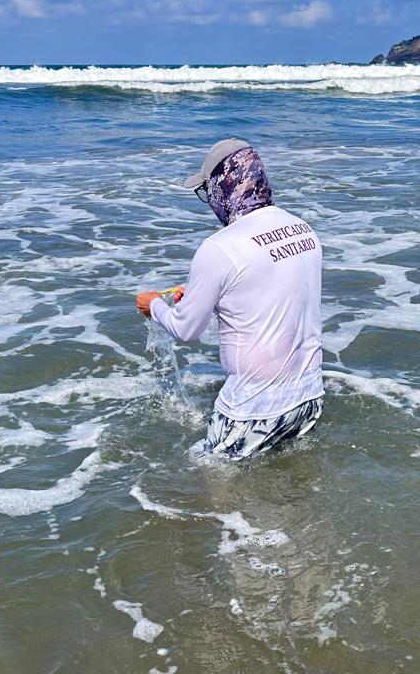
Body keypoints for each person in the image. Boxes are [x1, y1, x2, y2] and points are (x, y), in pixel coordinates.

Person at [136, 138, 323, 460]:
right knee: (290, 479)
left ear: (223, 184)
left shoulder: (220, 247)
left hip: (251, 408)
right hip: (308, 397)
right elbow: (268, 294)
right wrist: (205, 298)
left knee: (206, 477)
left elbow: (186, 330)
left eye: (206, 190)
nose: (209, 200)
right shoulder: (302, 228)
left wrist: (153, 306)